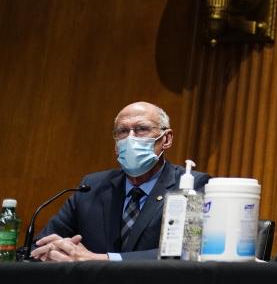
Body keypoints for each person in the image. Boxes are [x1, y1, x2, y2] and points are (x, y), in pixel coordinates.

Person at [30, 101, 210, 262]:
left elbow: (188, 252)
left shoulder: (194, 186)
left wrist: (102, 259)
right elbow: (39, 245)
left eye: (142, 129)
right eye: (123, 131)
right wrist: (55, 250)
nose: (130, 138)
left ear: (166, 139)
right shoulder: (92, 186)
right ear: (116, 144)